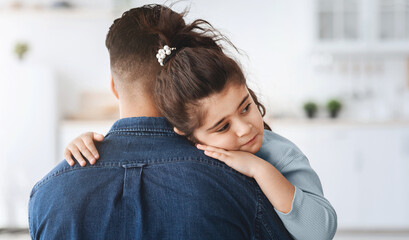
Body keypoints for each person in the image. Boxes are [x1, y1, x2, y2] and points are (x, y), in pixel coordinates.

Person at [63, 8, 337, 240]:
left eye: (246, 107)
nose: (245, 129)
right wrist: (84, 141)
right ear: (187, 133)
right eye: (222, 127)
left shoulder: (279, 154)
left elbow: (321, 229)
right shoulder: (188, 145)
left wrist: (259, 169)